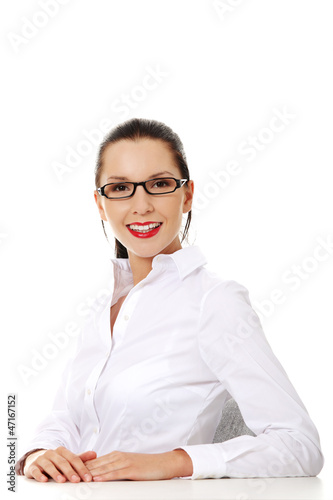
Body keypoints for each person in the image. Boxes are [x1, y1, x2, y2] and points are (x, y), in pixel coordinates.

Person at [16, 118, 324, 482]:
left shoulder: (215, 300)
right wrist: (38, 453)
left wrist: (173, 461)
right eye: (120, 188)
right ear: (101, 204)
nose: (141, 205)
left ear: (187, 194)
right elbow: (67, 418)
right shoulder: (101, 313)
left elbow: (299, 445)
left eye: (160, 184)